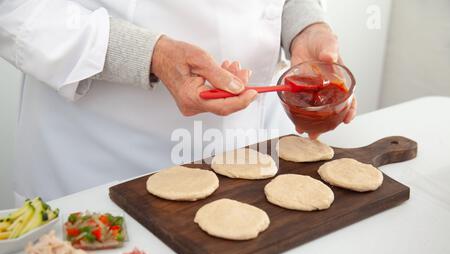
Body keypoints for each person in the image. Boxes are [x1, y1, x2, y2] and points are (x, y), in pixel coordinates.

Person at [0, 0, 356, 202]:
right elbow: (16, 11)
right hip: (105, 155)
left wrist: (304, 24)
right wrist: (148, 55)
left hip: (258, 143)